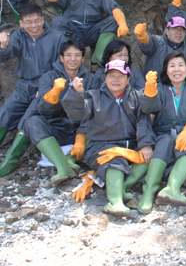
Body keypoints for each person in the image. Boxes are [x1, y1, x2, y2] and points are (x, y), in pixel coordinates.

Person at [0, 5, 66, 175]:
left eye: (37, 21)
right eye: (29, 22)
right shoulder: (18, 36)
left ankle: (10, 161)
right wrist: (3, 45)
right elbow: (4, 56)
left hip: (45, 86)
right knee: (6, 112)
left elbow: (61, 66)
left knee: (27, 119)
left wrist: (47, 87)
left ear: (43, 20)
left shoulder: (56, 37)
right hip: (24, 85)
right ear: (21, 23)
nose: (34, 26)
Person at [62, 60, 154, 216]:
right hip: (101, 146)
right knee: (113, 160)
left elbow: (143, 121)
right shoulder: (94, 96)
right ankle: (115, 201)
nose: (116, 80)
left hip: (129, 146)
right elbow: (78, 113)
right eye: (111, 76)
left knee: (152, 155)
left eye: (120, 76)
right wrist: (75, 94)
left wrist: (145, 144)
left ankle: (122, 186)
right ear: (105, 78)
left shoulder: (135, 97)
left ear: (128, 79)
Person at [137, 52, 186, 213]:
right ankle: (148, 192)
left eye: (180, 65)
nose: (176, 70)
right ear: (166, 70)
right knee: (164, 142)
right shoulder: (159, 89)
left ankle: (171, 188)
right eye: (172, 66)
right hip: (162, 135)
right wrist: (149, 92)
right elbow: (147, 110)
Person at [19, 40, 101, 184]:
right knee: (31, 121)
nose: (73, 59)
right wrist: (55, 92)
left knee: (101, 120)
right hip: (56, 128)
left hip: (79, 130)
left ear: (83, 58)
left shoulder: (90, 79)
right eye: (68, 55)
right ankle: (63, 167)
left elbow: (92, 110)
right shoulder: (49, 77)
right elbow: (43, 109)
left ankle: (71, 159)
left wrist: (81, 137)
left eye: (77, 55)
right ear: (61, 58)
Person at [46, 0, 129, 64]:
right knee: (58, 21)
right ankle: (64, 55)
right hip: (74, 32)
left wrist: (122, 24)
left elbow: (115, 9)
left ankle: (99, 57)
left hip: (93, 32)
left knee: (114, 20)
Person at [134, 18, 186, 82]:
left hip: (178, 90)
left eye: (182, 30)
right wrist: (142, 37)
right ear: (167, 30)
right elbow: (148, 44)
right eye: (175, 28)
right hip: (153, 87)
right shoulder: (158, 42)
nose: (179, 32)